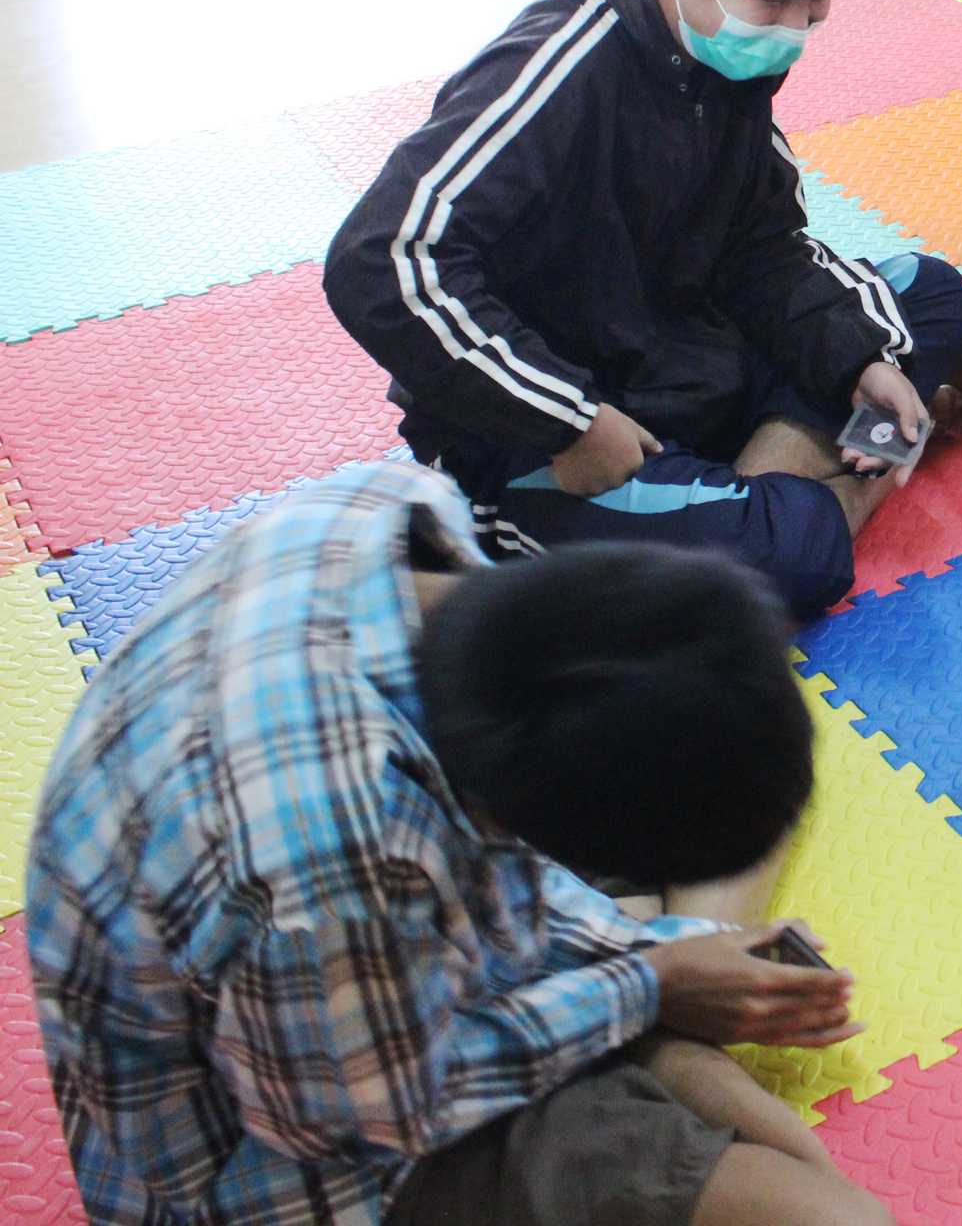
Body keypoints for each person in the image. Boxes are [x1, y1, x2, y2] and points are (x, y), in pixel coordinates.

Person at [26, 460, 890, 1226]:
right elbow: (364, 1113)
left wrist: (651, 961)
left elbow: (517, 887)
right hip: (286, 1147)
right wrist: (646, 979)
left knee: (735, 1083)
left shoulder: (392, 515)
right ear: (525, 835)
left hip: (337, 982)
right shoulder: (335, 863)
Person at [324, 0, 962, 617]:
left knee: (928, 293)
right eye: (774, 0)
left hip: (683, 361)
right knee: (799, 554)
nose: (796, 30)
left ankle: (729, 503)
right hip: (552, 423)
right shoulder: (555, 70)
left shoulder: (726, 55)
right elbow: (380, 258)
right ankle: (786, 504)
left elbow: (763, 245)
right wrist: (569, 419)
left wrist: (856, 363)